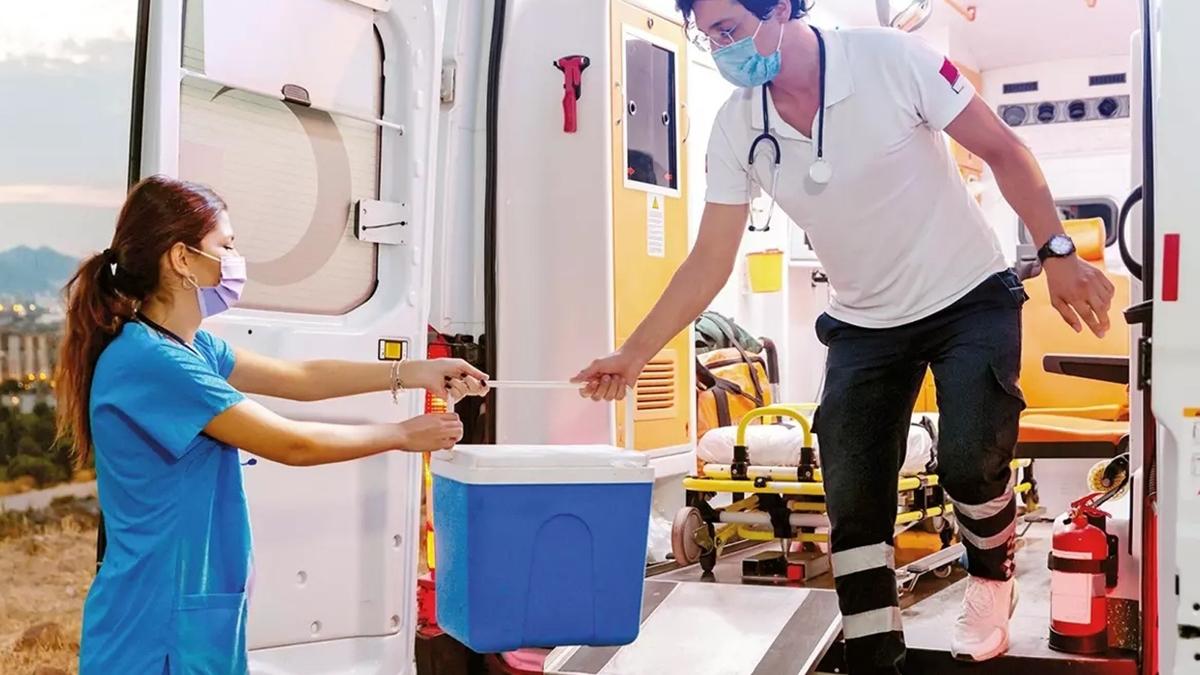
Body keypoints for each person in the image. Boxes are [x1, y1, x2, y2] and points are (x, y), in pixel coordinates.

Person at [571, 1, 1115, 672]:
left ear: (779, 9)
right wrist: (633, 353)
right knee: (852, 497)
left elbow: (1004, 149)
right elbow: (709, 259)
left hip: (967, 296)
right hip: (865, 321)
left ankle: (991, 576)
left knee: (970, 461)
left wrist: (1057, 251)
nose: (720, 49)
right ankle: (874, 652)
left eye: (728, 31)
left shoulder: (892, 59)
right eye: (707, 36)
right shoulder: (738, 124)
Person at [59, 175, 489, 674]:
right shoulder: (155, 362)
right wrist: (402, 435)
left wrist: (413, 371)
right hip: (155, 623)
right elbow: (292, 444)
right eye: (226, 246)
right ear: (181, 259)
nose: (235, 260)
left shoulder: (191, 347)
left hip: (184, 611)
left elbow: (300, 378)